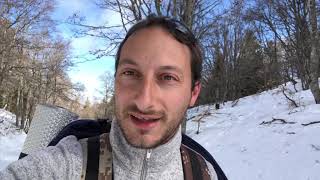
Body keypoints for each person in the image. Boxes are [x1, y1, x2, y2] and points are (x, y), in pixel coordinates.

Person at [0, 16, 227, 180]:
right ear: (116, 80)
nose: (144, 101)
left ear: (193, 92)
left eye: (167, 77)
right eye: (130, 73)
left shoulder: (206, 174)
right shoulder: (66, 163)